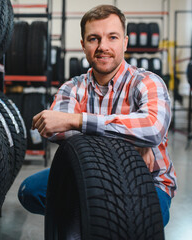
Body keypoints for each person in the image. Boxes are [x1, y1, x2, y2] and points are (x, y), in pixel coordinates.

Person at [18, 4, 177, 227]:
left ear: (125, 42)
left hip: (145, 178)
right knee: (31, 191)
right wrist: (130, 144)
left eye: (112, 37)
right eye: (94, 39)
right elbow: (56, 132)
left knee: (142, 222)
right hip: (87, 173)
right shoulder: (71, 88)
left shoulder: (147, 82)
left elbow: (151, 129)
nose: (103, 46)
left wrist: (77, 120)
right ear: (83, 45)